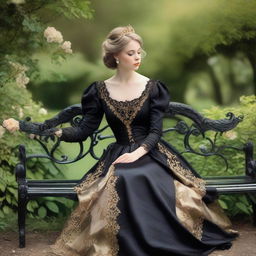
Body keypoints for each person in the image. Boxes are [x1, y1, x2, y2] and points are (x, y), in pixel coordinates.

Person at [3, 25, 238, 256]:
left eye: (139, 52)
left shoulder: (153, 88)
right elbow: (84, 130)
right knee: (122, 176)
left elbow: (155, 131)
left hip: (151, 153)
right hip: (118, 154)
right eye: (131, 53)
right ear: (115, 56)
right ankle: (124, 243)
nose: (137, 57)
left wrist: (137, 153)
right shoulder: (98, 90)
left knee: (136, 175)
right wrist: (56, 132)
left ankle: (153, 241)